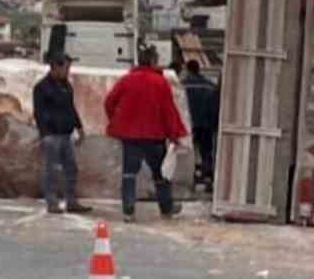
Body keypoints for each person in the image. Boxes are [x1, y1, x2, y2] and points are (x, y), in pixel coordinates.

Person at [103, 45, 188, 223]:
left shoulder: (127, 80)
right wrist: (175, 134)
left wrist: (117, 121)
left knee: (129, 174)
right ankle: (166, 208)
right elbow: (168, 111)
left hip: (131, 138)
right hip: (155, 137)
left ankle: (128, 211)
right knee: (161, 175)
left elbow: (109, 102)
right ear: (152, 61)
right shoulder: (160, 82)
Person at [33, 53, 93, 215]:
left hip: (66, 134)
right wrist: (44, 133)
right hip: (51, 134)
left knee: (71, 169)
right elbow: (38, 113)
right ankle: (52, 202)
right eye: (65, 68)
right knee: (51, 170)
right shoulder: (42, 88)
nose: (67, 72)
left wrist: (79, 127)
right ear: (55, 67)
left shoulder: (66, 86)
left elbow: (71, 108)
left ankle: (71, 201)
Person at [182, 60, 221, 188]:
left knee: (188, 151)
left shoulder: (182, 86)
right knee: (206, 151)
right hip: (206, 124)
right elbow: (216, 107)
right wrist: (215, 125)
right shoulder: (211, 86)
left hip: (189, 125)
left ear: (187, 70)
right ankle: (208, 177)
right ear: (199, 69)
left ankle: (191, 176)